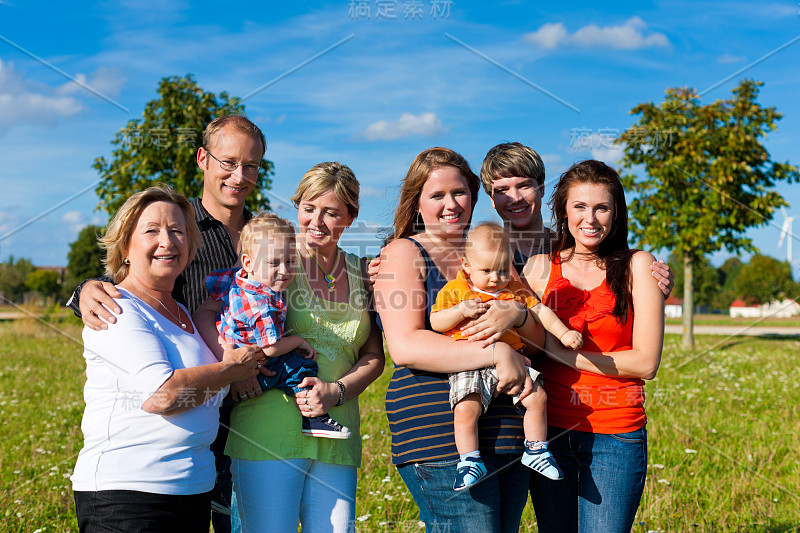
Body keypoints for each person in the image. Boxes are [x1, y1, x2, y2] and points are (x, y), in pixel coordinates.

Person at [67, 114, 268, 533]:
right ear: (203, 159)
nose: (239, 175)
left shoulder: (267, 234)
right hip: (154, 459)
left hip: (247, 424)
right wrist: (84, 289)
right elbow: (123, 288)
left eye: (251, 165)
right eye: (228, 162)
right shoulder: (178, 224)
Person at [195, 162, 385, 533]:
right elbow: (207, 312)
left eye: (331, 212)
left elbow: (374, 356)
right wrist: (230, 363)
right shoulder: (275, 255)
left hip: (336, 430)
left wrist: (337, 391)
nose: (317, 221)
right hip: (269, 430)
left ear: (350, 215)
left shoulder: (362, 271)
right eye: (308, 208)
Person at [374, 147, 543, 533]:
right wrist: (497, 351)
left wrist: (519, 316)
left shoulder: (492, 253)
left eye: (459, 192)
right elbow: (406, 346)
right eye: (437, 195)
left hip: (509, 434)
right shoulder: (404, 253)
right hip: (439, 436)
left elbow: (536, 346)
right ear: (417, 204)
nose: (451, 204)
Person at [522, 160, 665, 533]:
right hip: (548, 432)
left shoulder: (638, 267)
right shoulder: (539, 268)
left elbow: (646, 362)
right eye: (580, 207)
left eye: (602, 207)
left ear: (616, 213)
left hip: (615, 434)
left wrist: (564, 354)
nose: (591, 218)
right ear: (563, 211)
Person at [430, 221, 581, 491]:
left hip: (513, 359)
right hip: (472, 359)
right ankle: (469, 460)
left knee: (538, 397)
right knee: (466, 408)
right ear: (466, 265)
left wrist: (564, 333)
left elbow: (542, 312)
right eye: (486, 270)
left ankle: (535, 449)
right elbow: (436, 322)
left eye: (501, 269)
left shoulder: (514, 289)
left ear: (510, 261)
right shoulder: (456, 290)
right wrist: (460, 311)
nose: (495, 278)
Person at [205, 212, 351, 438]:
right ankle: (313, 418)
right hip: (255, 366)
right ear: (248, 263)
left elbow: (214, 283)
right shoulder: (263, 304)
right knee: (299, 368)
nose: (284, 271)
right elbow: (271, 348)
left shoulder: (237, 279)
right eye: (274, 263)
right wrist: (298, 341)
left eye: (290, 261)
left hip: (234, 358)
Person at [479, 141, 674, 289]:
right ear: (491, 198)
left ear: (542, 189)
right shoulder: (478, 254)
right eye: (502, 190)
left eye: (524, 186)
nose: (515, 198)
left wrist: (653, 284)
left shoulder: (578, 244)